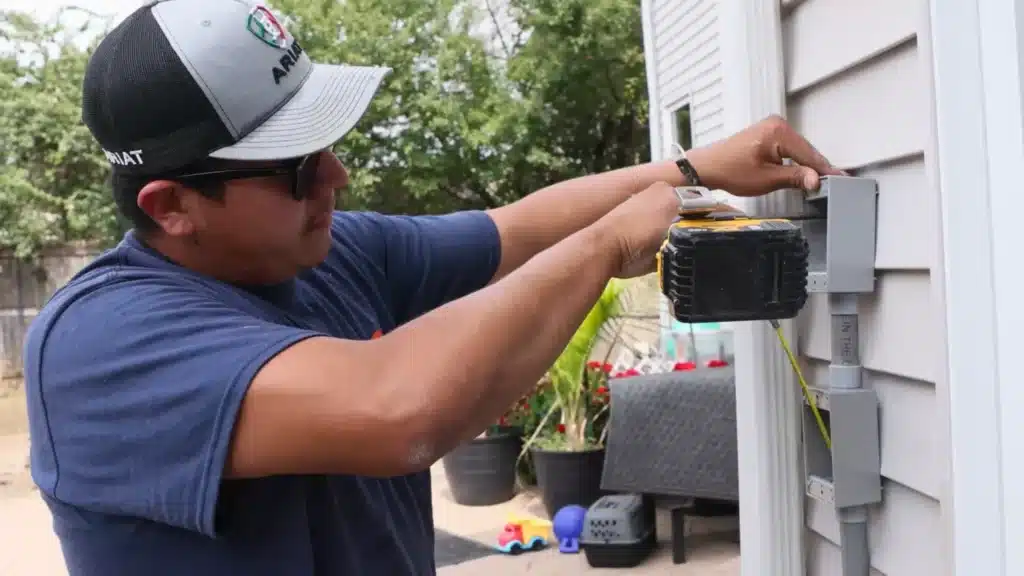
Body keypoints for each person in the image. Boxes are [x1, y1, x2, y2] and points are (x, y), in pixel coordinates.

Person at [22, 1, 843, 575]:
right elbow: (398, 413)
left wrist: (690, 170)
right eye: (298, 166)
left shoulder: (325, 253)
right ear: (174, 208)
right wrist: (607, 245)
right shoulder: (103, 344)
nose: (336, 178)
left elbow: (516, 227)